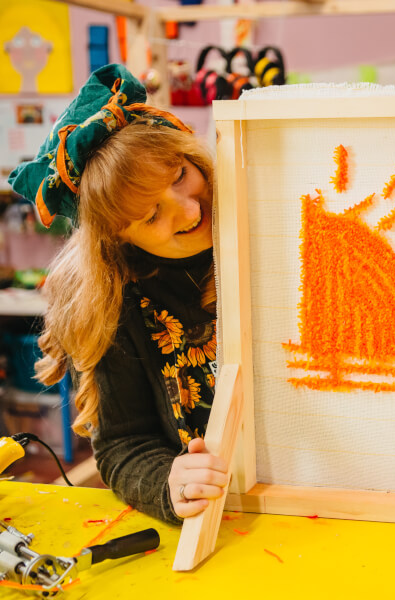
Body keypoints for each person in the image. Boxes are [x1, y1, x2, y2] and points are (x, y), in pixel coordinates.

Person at [8, 64, 228, 525]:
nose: (189, 210)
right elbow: (124, 446)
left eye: (179, 176)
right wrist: (169, 482)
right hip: (219, 517)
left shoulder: (271, 227)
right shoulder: (119, 302)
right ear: (119, 238)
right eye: (151, 216)